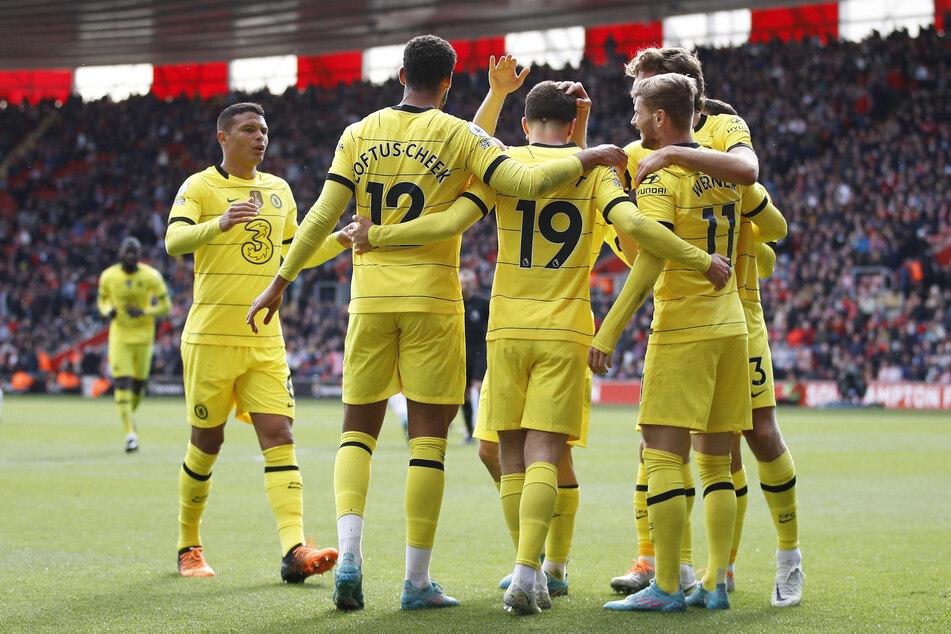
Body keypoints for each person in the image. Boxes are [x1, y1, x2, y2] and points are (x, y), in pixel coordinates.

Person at [247, 36, 631, 612]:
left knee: (358, 433)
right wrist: (587, 150)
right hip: (437, 302)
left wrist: (282, 279)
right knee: (429, 445)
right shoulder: (458, 136)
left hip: (369, 299)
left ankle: (349, 556)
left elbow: (326, 214)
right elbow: (513, 183)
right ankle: (417, 582)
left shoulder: (358, 133)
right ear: (450, 82)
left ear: (400, 73)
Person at [345, 79, 729, 615]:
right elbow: (636, 225)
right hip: (567, 328)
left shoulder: (500, 164)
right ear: (573, 126)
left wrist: (378, 237)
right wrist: (700, 259)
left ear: (525, 125)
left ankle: (537, 569)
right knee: (547, 454)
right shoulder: (593, 172)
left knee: (508, 453)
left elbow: (454, 218)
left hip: (506, 326)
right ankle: (531, 572)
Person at [609, 47, 804, 609]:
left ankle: (774, 559)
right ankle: (688, 568)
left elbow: (754, 191)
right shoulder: (650, 149)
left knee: (749, 436)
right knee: (696, 451)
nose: (636, 111)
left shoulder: (724, 127)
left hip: (729, 308)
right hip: (713, 308)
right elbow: (769, 223)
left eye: (642, 96)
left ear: (676, 98)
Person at [165, 102, 340, 582]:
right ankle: (188, 545)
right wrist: (221, 222)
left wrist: (340, 239)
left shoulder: (279, 190)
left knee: (280, 437)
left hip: (265, 340)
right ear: (223, 137)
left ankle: (294, 550)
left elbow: (294, 254)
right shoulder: (200, 186)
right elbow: (174, 242)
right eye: (248, 129)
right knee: (207, 442)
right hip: (210, 340)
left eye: (263, 130)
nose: (259, 137)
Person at [96, 236, 171, 452]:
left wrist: (145, 312)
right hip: (119, 337)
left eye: (133, 252)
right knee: (121, 383)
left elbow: (166, 306)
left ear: (139, 255)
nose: (130, 256)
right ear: (121, 254)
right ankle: (129, 433)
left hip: (144, 338)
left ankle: (129, 418)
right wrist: (105, 311)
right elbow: (102, 300)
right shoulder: (109, 276)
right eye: (126, 252)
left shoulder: (151, 276)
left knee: (138, 386)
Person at [458, 269, 488, 443]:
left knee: (478, 386)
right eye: (461, 283)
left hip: (480, 351)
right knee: (465, 393)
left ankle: (480, 427)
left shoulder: (482, 304)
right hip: (461, 351)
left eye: (467, 283)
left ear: (473, 284)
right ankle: (469, 431)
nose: (463, 287)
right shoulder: (455, 304)